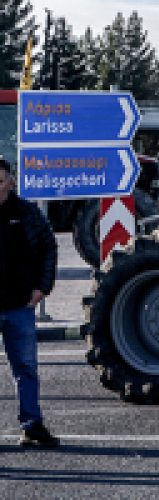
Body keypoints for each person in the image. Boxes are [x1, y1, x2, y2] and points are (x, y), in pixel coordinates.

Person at [0, 157, 60, 449]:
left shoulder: (26, 213)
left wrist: (43, 287)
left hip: (18, 305)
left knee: (25, 368)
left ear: (11, 182)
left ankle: (32, 425)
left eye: (0, 181)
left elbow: (48, 246)